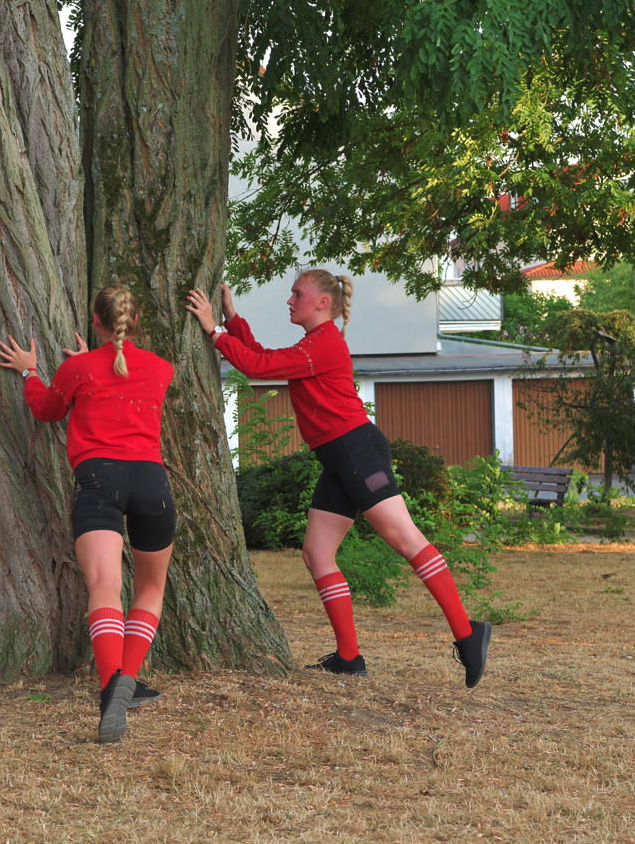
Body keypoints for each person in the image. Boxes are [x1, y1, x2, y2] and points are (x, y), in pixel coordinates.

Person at [187, 271, 491, 687]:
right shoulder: (311, 345)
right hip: (338, 458)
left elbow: (256, 364)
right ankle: (349, 657)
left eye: (298, 294)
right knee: (316, 553)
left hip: (357, 452)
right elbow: (262, 357)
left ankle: (467, 633)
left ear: (322, 303)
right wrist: (234, 321)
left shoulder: (324, 343)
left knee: (406, 539)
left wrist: (213, 329)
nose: (289, 300)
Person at [0, 285, 176, 742]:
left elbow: (46, 409)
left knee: (104, 586)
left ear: (95, 321)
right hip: (151, 482)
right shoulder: (161, 368)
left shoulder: (79, 368)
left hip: (99, 481)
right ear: (135, 323)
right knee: (151, 587)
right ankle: (128, 681)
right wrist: (88, 367)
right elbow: (118, 378)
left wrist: (30, 372)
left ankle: (110, 684)